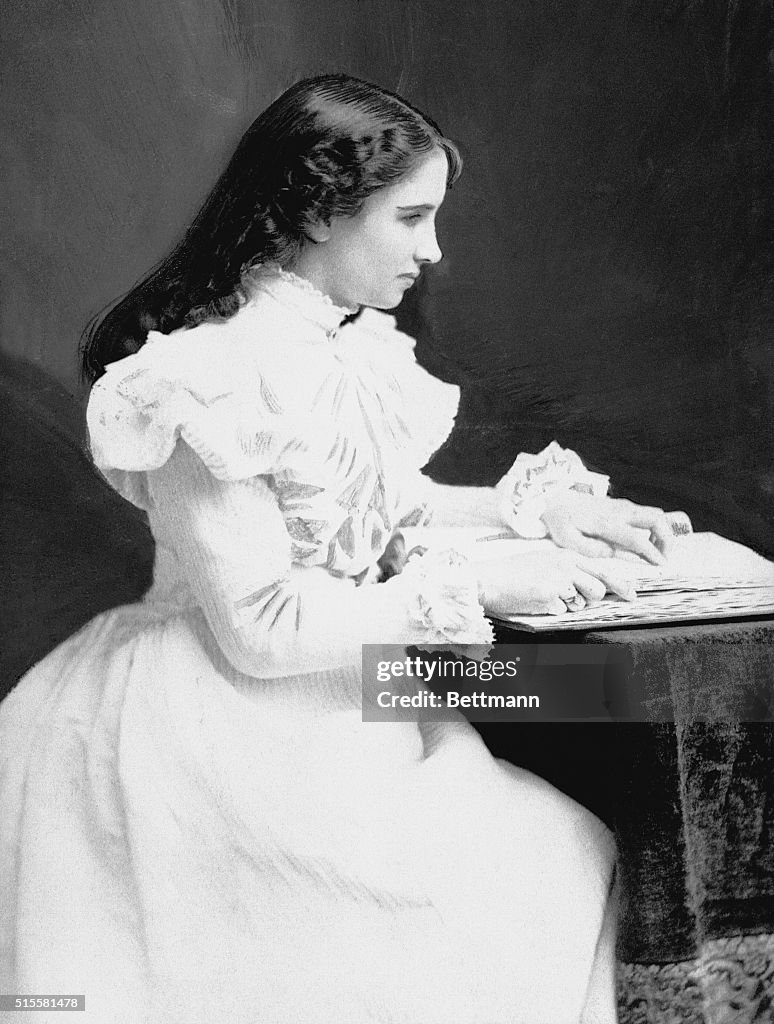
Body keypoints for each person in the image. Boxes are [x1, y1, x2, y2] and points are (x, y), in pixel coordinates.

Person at [0, 72, 679, 1023]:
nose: (432, 250)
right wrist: (480, 584)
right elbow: (262, 629)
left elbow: (377, 509)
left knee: (617, 748)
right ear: (319, 210)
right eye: (411, 218)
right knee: (545, 863)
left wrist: (539, 515)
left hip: (360, 695)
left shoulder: (350, 353)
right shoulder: (204, 380)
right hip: (218, 725)